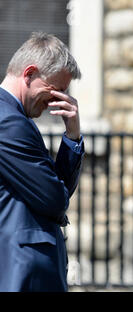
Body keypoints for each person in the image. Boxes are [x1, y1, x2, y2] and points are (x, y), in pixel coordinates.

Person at [0, 32, 84, 291]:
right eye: (56, 90)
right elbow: (56, 198)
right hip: (23, 272)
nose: (57, 100)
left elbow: (54, 193)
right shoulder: (8, 122)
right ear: (29, 73)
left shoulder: (16, 118)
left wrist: (72, 136)